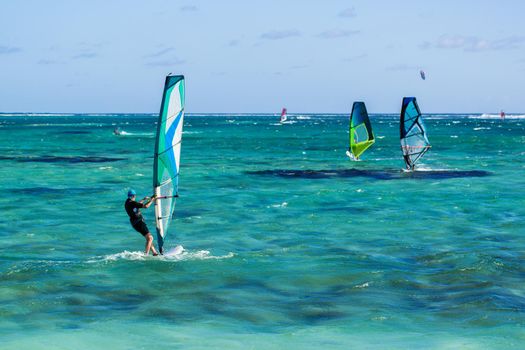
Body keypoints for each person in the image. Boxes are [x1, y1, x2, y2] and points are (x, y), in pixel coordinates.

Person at [125, 189, 159, 256]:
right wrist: (152, 200)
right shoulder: (132, 203)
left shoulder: (127, 202)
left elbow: (137, 205)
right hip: (139, 222)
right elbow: (146, 206)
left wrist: (144, 199)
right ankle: (146, 254)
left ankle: (155, 253)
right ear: (134, 195)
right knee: (150, 238)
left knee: (147, 238)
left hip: (135, 224)